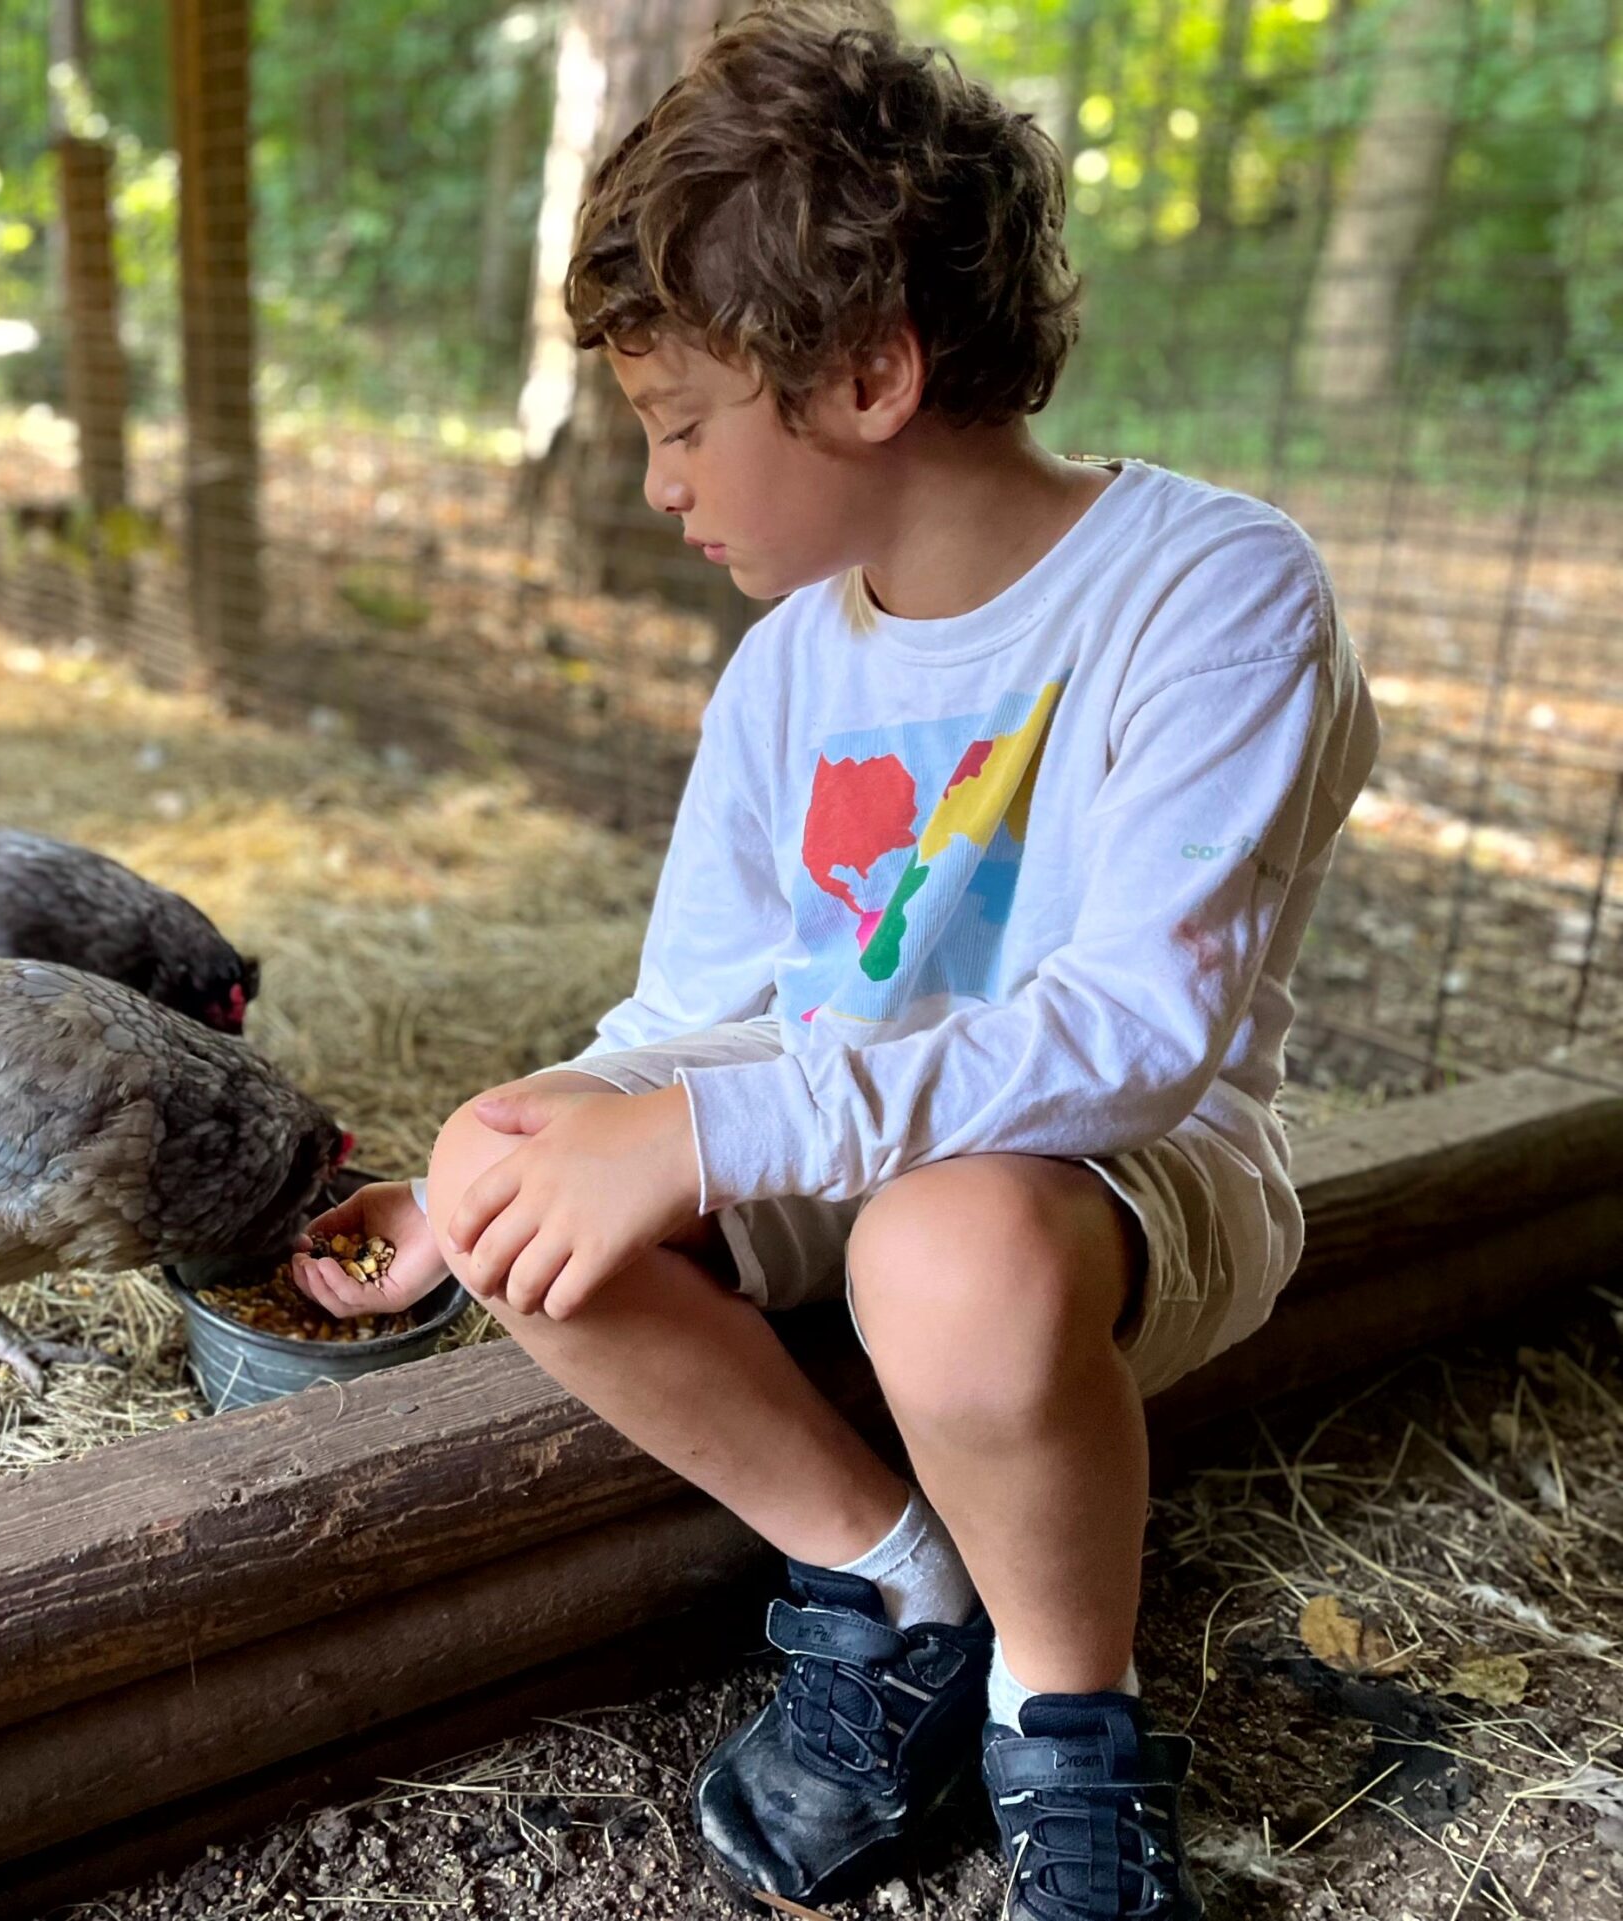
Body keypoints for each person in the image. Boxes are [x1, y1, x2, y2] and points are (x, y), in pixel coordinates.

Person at [290, 6, 1380, 1914]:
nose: (658, 485)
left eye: (680, 425)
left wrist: (710, 1143)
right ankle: (892, 1575)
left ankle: (1068, 1720)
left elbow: (1138, 1031)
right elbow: (696, 1006)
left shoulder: (1209, 589)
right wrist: (547, 1146)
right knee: (515, 1150)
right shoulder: (794, 657)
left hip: (1131, 1173)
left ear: (870, 371)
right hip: (851, 1125)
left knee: (938, 1245)